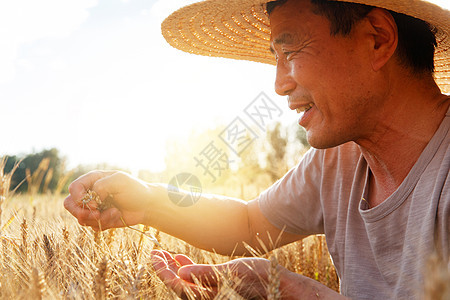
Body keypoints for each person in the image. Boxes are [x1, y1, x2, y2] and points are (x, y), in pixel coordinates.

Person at [64, 0, 450, 298]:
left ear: (377, 39)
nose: (280, 84)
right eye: (275, 58)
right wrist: (147, 201)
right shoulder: (339, 160)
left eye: (292, 52)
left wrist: (288, 289)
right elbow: (249, 224)